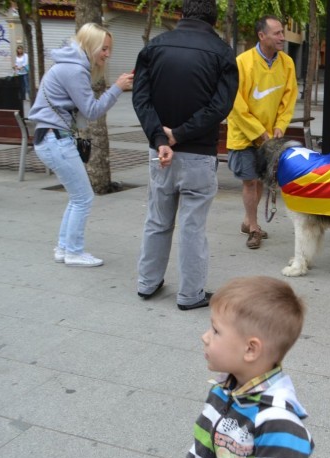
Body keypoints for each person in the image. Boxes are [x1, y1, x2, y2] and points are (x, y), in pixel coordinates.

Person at [162, 276, 313, 458]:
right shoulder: (226, 388)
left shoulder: (277, 418)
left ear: (251, 349)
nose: (205, 337)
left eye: (216, 331)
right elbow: (208, 440)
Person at [132, 0, 238, 310]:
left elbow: (141, 98)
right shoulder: (222, 53)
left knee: (157, 220)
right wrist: (179, 134)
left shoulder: (155, 46)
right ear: (213, 18)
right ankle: (190, 294)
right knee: (193, 227)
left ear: (182, 13)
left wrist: (160, 137)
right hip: (198, 153)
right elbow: (220, 107)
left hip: (161, 151)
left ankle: (147, 282)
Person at [28, 23, 133, 267]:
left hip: (50, 137)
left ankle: (64, 248)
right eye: (104, 49)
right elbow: (92, 111)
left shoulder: (68, 64)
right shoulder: (75, 69)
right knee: (83, 198)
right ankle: (73, 251)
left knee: (77, 197)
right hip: (55, 139)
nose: (107, 54)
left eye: (109, 49)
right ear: (91, 45)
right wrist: (117, 88)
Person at [227, 15, 297, 250]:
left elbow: (288, 99)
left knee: (259, 183)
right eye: (277, 33)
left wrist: (280, 126)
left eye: (282, 32)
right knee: (250, 181)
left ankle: (249, 221)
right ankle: (255, 229)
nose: (282, 37)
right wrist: (258, 132)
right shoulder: (242, 62)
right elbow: (235, 104)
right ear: (261, 36)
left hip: (270, 137)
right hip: (245, 135)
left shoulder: (287, 63)